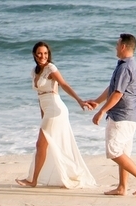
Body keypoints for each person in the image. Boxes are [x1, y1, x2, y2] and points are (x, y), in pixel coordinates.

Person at [16, 42, 98, 189]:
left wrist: (79, 100)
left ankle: (33, 180)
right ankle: (59, 176)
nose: (43, 56)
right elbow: (40, 97)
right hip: (48, 110)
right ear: (34, 54)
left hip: (56, 109)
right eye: (40, 53)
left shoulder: (50, 68)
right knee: (49, 145)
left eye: (46, 54)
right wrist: (42, 116)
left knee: (41, 145)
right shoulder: (34, 72)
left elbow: (64, 84)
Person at [88, 33, 136, 196]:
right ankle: (122, 187)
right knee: (124, 151)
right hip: (131, 115)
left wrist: (101, 111)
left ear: (123, 46)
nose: (115, 47)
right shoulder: (130, 65)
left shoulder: (124, 67)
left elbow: (117, 93)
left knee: (114, 151)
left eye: (117, 44)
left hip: (122, 116)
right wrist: (98, 101)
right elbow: (112, 88)